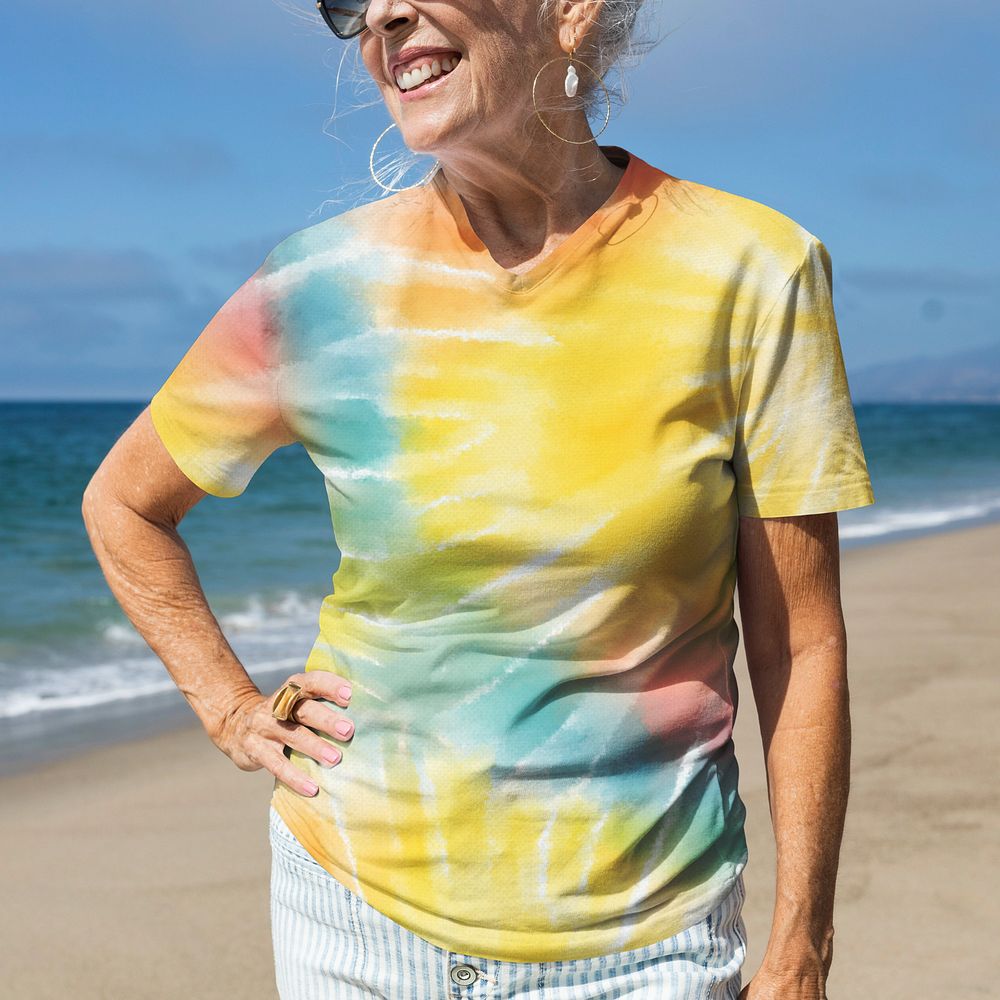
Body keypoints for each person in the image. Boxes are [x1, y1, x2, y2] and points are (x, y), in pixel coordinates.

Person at [81, 0, 875, 996]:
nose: (380, 14)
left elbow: (798, 640)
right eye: (351, 4)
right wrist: (231, 706)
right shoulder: (320, 286)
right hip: (352, 917)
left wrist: (801, 942)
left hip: (646, 944)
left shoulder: (752, 272)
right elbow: (125, 504)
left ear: (571, 14)